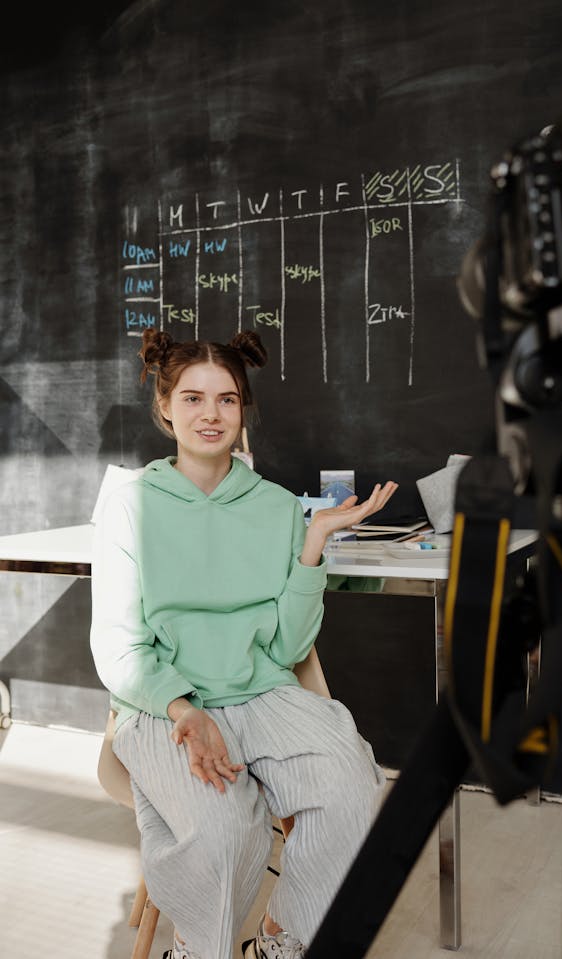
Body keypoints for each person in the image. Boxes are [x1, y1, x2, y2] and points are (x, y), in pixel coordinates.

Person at [89, 327, 398, 959]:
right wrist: (185, 710)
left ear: (243, 408)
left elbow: (286, 647)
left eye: (227, 399)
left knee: (352, 789)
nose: (211, 415)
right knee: (224, 830)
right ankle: (199, 949)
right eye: (194, 398)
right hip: (166, 702)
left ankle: (283, 941)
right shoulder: (128, 506)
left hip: (264, 692)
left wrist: (314, 545)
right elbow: (120, 649)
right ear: (165, 406)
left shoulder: (279, 507)